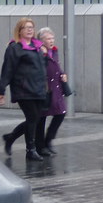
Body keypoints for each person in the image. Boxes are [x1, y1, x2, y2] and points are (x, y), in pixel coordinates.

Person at [0, 17, 48, 161]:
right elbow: (7, 70)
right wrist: (1, 90)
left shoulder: (38, 47)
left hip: (38, 89)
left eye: (32, 27)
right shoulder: (15, 48)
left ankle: (10, 138)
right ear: (19, 31)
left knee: (35, 119)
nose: (30, 29)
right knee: (32, 118)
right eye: (26, 27)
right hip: (23, 90)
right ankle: (30, 150)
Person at [35, 27, 68, 156]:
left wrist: (63, 74)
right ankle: (40, 146)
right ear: (41, 41)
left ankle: (48, 140)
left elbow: (57, 65)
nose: (51, 40)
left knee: (61, 113)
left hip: (56, 87)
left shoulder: (54, 51)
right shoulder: (38, 52)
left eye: (52, 38)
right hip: (44, 88)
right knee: (41, 117)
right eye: (48, 38)